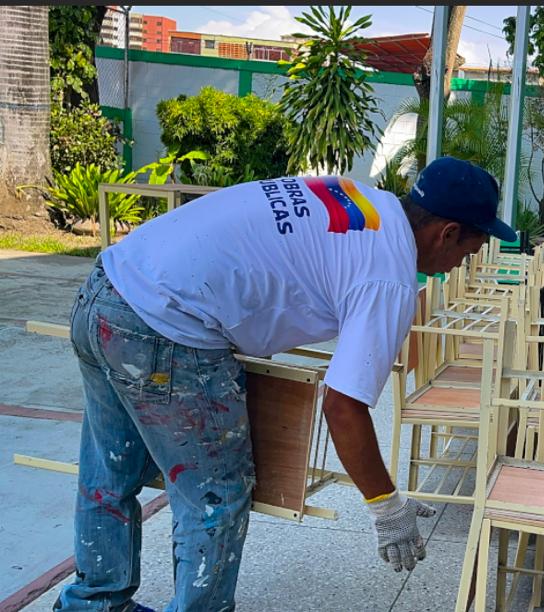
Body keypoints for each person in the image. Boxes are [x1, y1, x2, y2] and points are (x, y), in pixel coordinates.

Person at [55, 156, 516, 611]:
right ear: (447, 233)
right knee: (216, 496)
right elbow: (343, 407)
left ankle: (93, 604)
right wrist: (386, 506)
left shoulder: (363, 199)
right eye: (467, 253)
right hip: (165, 327)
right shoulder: (389, 275)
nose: (456, 267)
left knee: (109, 474)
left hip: (106, 289)